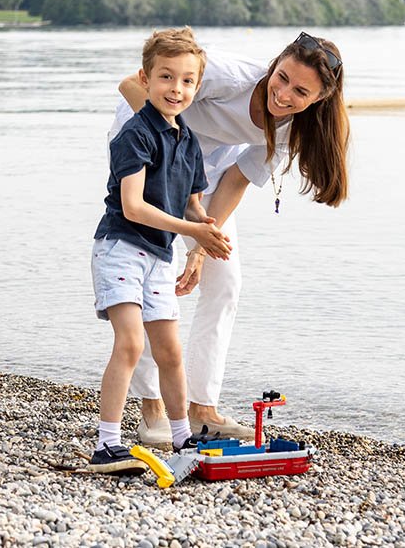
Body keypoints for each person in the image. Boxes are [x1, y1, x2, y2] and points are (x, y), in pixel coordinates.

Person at [113, 31, 349, 445]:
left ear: (318, 100)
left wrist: (202, 248)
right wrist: (173, 146)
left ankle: (201, 408)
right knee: (155, 274)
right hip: (149, 148)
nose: (284, 94)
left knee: (225, 282)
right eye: (281, 78)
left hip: (208, 170)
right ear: (273, 65)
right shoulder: (227, 74)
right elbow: (133, 85)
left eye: (300, 91)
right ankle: (152, 406)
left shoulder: (293, 130)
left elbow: (237, 180)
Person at [87, 28, 231, 474]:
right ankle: (107, 443)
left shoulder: (187, 140)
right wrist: (191, 227)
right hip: (121, 248)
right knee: (130, 343)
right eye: (166, 77)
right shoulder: (135, 134)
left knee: (170, 352)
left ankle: (182, 436)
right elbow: (134, 206)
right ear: (145, 80)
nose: (177, 89)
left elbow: (192, 200)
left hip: (159, 257)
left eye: (188, 81)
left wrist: (203, 236)